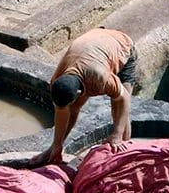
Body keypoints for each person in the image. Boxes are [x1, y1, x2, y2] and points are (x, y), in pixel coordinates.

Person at [32, 28, 137, 166]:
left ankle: (124, 157)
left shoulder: (99, 77)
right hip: (94, 43)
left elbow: (124, 99)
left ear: (79, 93)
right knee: (74, 107)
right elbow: (64, 111)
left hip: (123, 47)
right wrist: (56, 145)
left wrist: (117, 135)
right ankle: (54, 149)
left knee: (119, 110)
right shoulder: (57, 80)